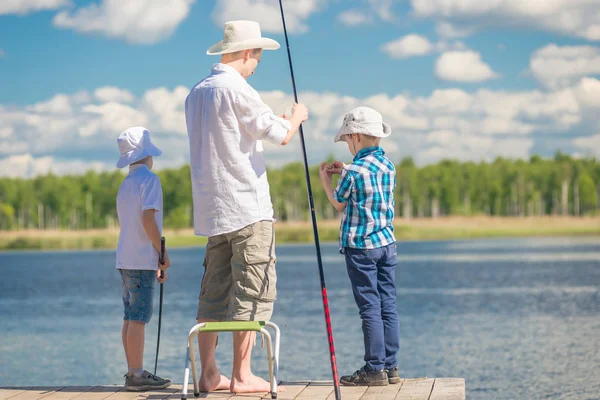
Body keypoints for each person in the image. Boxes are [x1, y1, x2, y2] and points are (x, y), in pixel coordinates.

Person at [185, 20, 309, 393]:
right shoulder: (239, 90)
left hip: (212, 211)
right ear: (244, 53)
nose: (256, 66)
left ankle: (208, 375)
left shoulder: (196, 93)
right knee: (253, 291)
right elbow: (280, 136)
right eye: (256, 57)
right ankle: (242, 376)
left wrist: (281, 123)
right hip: (248, 208)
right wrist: (297, 118)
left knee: (213, 293)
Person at [318, 107, 400, 386]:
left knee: (369, 307)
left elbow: (339, 203)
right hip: (387, 245)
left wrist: (326, 182)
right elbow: (370, 191)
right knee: (387, 304)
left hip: (361, 247)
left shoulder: (353, 171)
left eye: (347, 141)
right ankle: (390, 367)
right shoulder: (388, 166)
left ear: (355, 137)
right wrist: (345, 170)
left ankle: (373, 368)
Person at [115, 126, 172, 391]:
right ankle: (137, 376)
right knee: (139, 317)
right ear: (147, 155)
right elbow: (148, 219)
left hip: (125, 259)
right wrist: (161, 252)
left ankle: (132, 371)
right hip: (140, 260)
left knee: (130, 316)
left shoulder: (126, 184)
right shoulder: (150, 180)